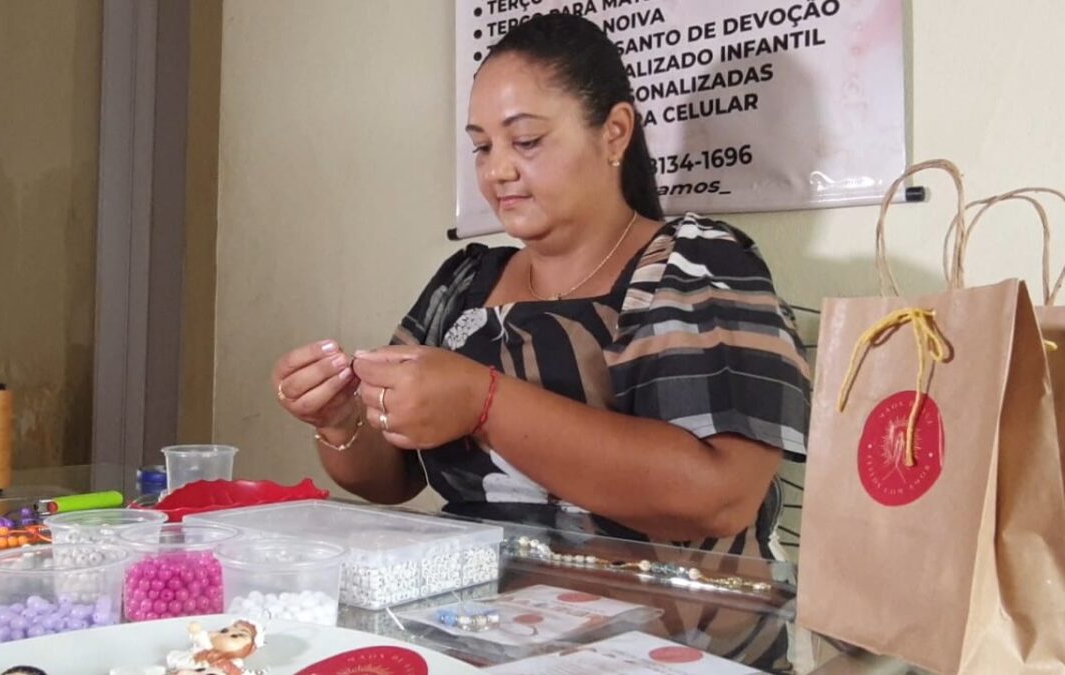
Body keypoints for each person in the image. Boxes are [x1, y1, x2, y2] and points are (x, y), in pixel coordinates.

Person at [272, 14, 810, 561]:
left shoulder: (698, 266)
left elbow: (720, 496)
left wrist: (485, 403)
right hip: (479, 624)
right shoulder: (464, 283)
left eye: (525, 140)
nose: (497, 170)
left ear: (615, 132)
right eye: (482, 147)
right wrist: (341, 422)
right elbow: (393, 479)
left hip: (666, 637)